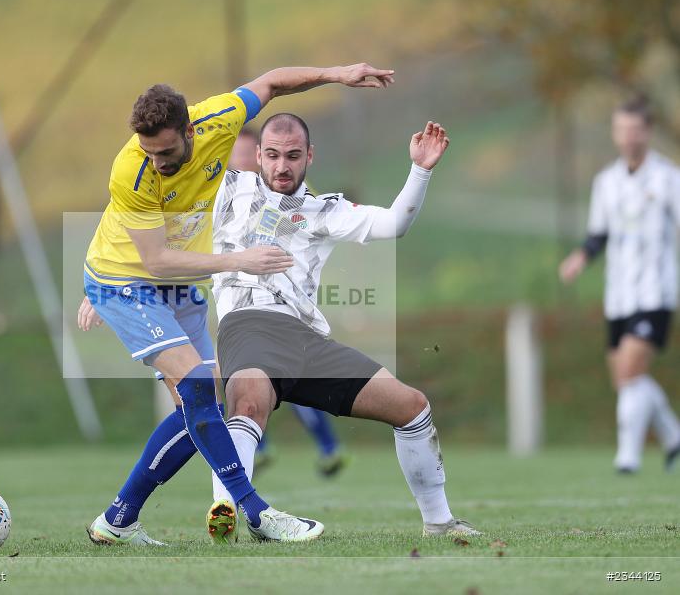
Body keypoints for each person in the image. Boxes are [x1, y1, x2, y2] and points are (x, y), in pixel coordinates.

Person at [79, 63, 396, 545]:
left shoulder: (218, 118)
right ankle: (256, 512)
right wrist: (241, 261)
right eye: (150, 152)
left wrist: (336, 74)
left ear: (190, 130)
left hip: (173, 280)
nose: (159, 163)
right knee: (202, 390)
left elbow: (272, 82)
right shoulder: (132, 169)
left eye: (166, 151)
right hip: (126, 279)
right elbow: (156, 261)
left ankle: (118, 519)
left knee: (199, 404)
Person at [209, 113, 480, 538]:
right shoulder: (225, 188)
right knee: (246, 406)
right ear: (258, 155)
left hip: (304, 340)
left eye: (293, 156)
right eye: (274, 155)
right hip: (248, 324)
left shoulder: (324, 211)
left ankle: (440, 524)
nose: (282, 166)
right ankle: (224, 510)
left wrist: (420, 170)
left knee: (412, 408)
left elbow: (395, 224)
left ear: (310, 157)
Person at [559, 95, 680, 474]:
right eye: (621, 129)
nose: (628, 137)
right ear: (615, 133)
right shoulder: (606, 182)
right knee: (628, 381)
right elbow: (599, 234)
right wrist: (581, 257)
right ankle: (674, 436)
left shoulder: (668, 178)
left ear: (648, 131)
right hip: (619, 295)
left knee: (630, 373)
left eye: (635, 129)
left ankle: (626, 458)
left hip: (656, 292)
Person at [228, 126, 348, 477]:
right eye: (236, 154)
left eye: (248, 153)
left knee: (285, 384)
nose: (243, 161)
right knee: (241, 381)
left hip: (283, 309)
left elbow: (298, 235)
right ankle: (262, 449)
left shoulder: (288, 199)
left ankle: (324, 449)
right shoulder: (227, 196)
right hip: (239, 307)